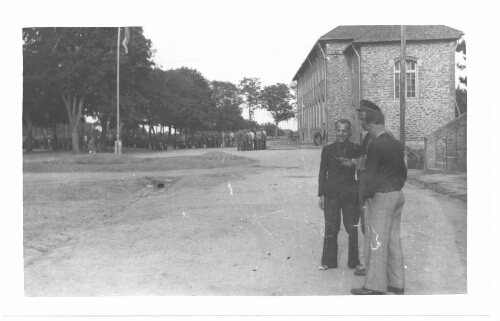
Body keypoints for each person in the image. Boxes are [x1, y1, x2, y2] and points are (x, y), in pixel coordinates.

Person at [350, 107, 407, 295]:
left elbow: (371, 176)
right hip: (397, 195)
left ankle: (374, 285)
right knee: (392, 240)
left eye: (367, 126)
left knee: (376, 241)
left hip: (381, 198)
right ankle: (396, 283)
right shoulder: (396, 143)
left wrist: (366, 195)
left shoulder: (375, 145)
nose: (367, 130)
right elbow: (403, 173)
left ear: (374, 124)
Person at [317, 119, 361, 270]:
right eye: (338, 131)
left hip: (350, 193)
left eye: (344, 131)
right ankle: (328, 261)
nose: (341, 134)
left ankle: (354, 262)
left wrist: (354, 162)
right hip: (332, 194)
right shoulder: (327, 149)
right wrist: (321, 194)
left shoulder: (356, 148)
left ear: (350, 132)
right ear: (335, 131)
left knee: (352, 227)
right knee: (331, 227)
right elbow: (323, 172)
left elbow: (363, 166)